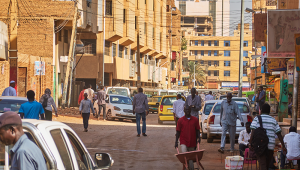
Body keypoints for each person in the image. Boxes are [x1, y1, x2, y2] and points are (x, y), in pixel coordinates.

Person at [250, 103, 286, 170]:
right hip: (270, 146)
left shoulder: (257, 119)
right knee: (267, 164)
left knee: (263, 165)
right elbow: (279, 134)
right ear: (269, 111)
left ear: (262, 110)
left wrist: (250, 143)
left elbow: (253, 131)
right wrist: (283, 146)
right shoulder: (273, 120)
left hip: (260, 145)